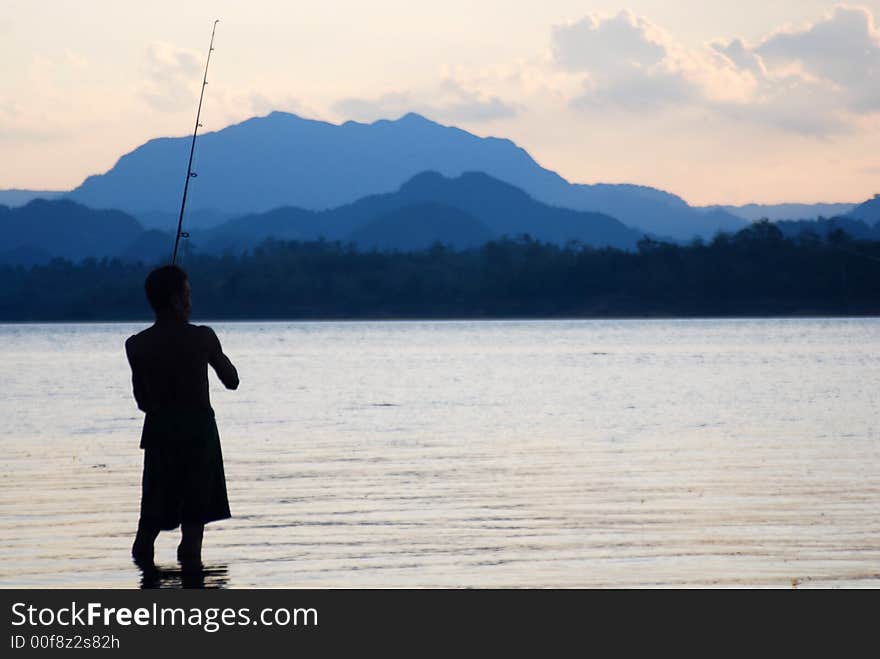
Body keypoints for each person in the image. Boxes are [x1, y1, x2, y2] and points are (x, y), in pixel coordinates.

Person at [125, 264, 239, 567]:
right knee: (192, 532)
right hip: (199, 439)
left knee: (148, 523)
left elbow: (142, 401)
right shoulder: (203, 338)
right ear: (177, 301)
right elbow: (232, 380)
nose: (191, 300)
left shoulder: (136, 345)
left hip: (159, 435)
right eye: (187, 295)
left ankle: (145, 580)